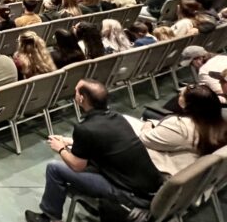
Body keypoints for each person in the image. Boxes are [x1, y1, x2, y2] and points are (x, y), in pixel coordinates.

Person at [25, 79, 162, 222]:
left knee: (54, 168)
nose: (74, 93)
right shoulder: (117, 118)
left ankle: (48, 217)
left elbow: (77, 165)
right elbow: (102, 144)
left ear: (81, 98)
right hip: (150, 189)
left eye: (76, 91)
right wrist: (68, 141)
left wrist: (60, 148)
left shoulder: (85, 128)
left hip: (129, 194)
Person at [131, 84, 227, 175]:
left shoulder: (180, 126)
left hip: (164, 170)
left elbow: (144, 139)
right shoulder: (218, 124)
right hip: (197, 171)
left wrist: (147, 125)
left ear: (186, 104)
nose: (179, 91)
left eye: (181, 94)